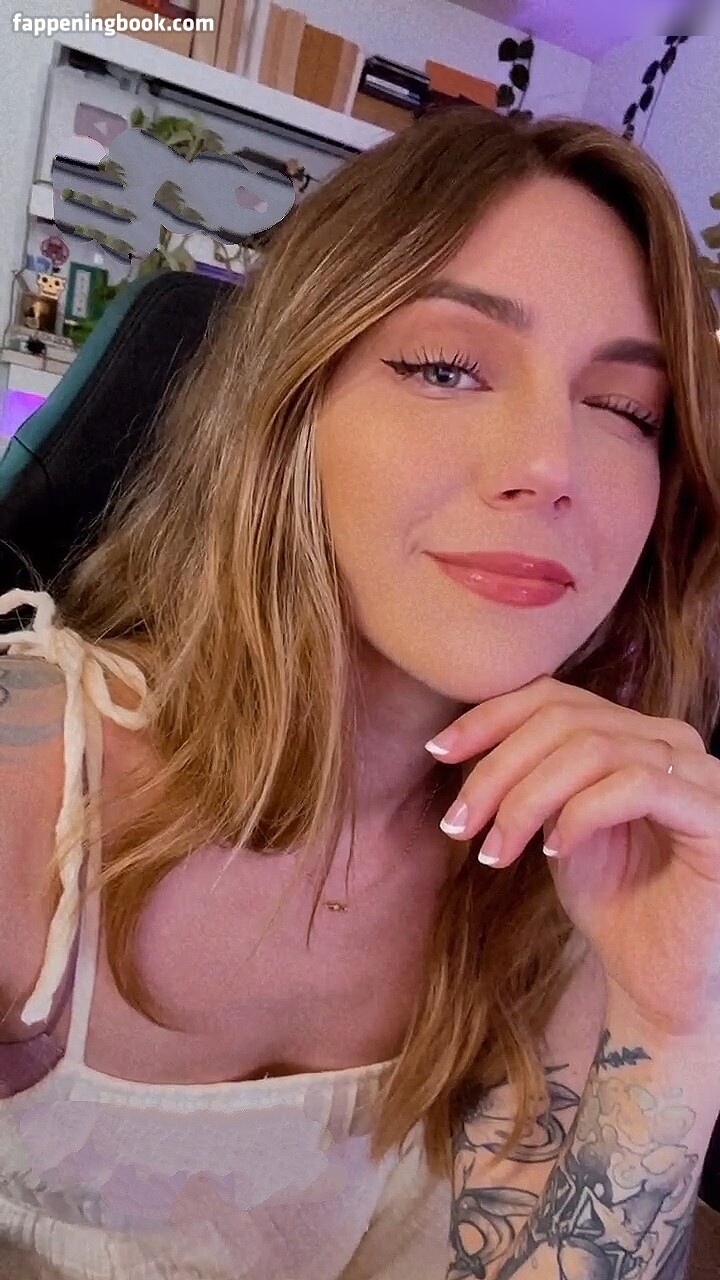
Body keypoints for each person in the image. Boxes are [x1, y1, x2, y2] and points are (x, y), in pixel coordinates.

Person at [0, 105, 719, 1280]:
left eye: (625, 410)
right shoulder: (29, 781)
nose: (550, 463)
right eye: (445, 367)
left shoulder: (578, 873)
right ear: (291, 402)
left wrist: (677, 1024)